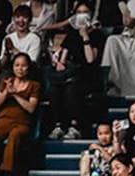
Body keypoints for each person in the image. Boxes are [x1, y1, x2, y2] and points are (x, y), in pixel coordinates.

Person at [46, 2, 102, 140]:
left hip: (88, 74)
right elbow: (63, 57)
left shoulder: (97, 35)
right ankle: (58, 125)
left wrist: (85, 37)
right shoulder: (71, 34)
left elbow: (90, 59)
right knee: (54, 88)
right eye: (79, 12)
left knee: (72, 88)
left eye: (85, 12)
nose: (82, 15)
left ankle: (75, 126)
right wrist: (59, 63)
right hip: (71, 72)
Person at [0, 52, 40, 176]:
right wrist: (7, 92)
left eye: (23, 66)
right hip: (3, 120)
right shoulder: (6, 82)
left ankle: (9, 173)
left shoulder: (34, 85)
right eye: (17, 65)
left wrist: (16, 95)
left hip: (22, 122)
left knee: (15, 136)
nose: (20, 69)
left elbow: (31, 108)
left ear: (28, 67)